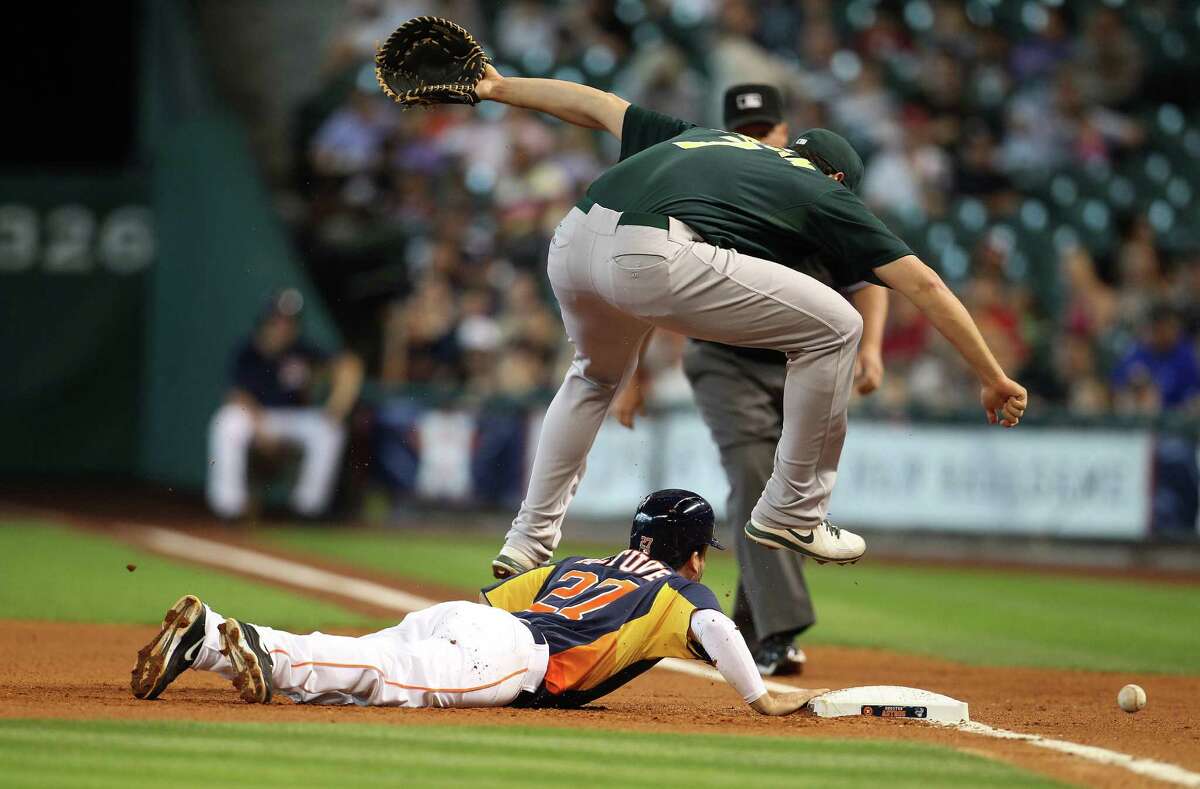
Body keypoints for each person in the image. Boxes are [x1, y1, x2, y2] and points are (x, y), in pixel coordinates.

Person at [475, 63, 1026, 579]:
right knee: (838, 327)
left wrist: (501, 88)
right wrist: (992, 374)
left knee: (592, 378)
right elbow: (925, 285)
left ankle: (527, 539)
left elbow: (598, 104)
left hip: (573, 240)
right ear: (836, 176)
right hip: (649, 252)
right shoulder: (822, 191)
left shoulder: (711, 137)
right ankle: (794, 509)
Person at [611, 84, 890, 676]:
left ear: (785, 135)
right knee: (753, 478)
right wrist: (633, 374)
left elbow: (872, 278)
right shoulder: (718, 187)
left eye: (766, 126)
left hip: (802, 366)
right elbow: (660, 289)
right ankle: (780, 631)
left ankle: (750, 625)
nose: (758, 135)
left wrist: (873, 349)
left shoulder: (823, 194)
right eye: (747, 127)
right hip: (726, 361)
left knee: (777, 489)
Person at [130, 490, 827, 715]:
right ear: (694, 550)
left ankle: (214, 639)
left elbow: (494, 596)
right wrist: (758, 695)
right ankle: (248, 637)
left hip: (473, 621)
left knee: (374, 665)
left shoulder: (581, 562)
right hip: (515, 653)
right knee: (381, 680)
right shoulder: (678, 591)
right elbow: (714, 622)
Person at [206, 289, 363, 519]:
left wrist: (337, 407)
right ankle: (229, 506)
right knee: (227, 422)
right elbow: (236, 395)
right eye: (278, 319)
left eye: (289, 321)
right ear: (267, 320)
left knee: (330, 430)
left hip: (293, 419)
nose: (283, 326)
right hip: (257, 417)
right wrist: (259, 427)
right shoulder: (248, 349)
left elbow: (350, 365)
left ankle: (308, 508)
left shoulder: (303, 349)